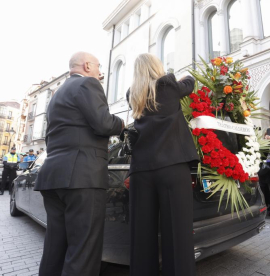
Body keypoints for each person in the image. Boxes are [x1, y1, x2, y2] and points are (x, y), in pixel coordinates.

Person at [34, 52, 124, 276]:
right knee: (83, 250)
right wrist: (121, 124)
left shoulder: (57, 95)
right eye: (98, 66)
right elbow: (103, 123)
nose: (99, 72)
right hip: (82, 177)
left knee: (55, 246)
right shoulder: (88, 84)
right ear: (87, 65)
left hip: (52, 177)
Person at [127, 53, 198, 276]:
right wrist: (187, 75)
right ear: (157, 67)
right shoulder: (167, 84)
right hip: (172, 167)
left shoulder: (133, 94)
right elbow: (190, 83)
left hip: (141, 171)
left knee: (142, 234)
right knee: (177, 234)